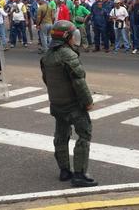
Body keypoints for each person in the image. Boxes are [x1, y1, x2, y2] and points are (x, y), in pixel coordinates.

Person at [40, 20, 97, 188]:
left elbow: (46, 80)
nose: (75, 38)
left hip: (57, 103)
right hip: (73, 105)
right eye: (72, 35)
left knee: (61, 136)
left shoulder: (47, 55)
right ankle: (79, 174)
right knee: (84, 134)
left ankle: (64, 170)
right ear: (66, 37)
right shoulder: (68, 55)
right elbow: (79, 82)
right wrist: (88, 102)